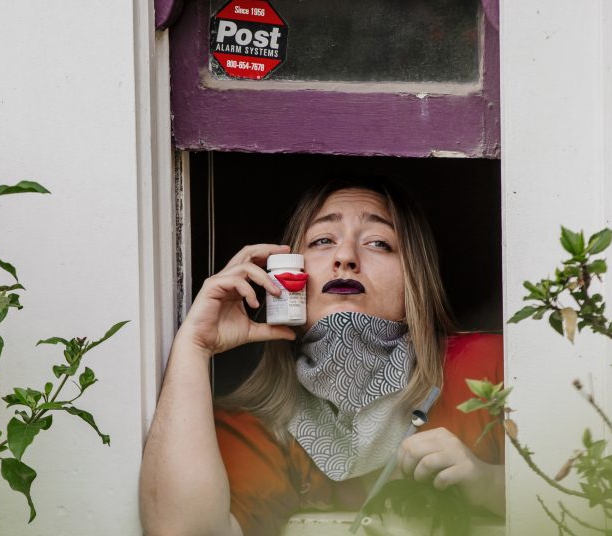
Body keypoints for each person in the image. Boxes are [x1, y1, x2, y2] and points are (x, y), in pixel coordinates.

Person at [140, 179, 504, 536]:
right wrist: (194, 344)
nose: (345, 257)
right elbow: (184, 531)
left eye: (379, 243)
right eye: (323, 241)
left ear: (416, 280)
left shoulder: (485, 371)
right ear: (283, 276)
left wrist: (491, 484)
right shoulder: (260, 427)